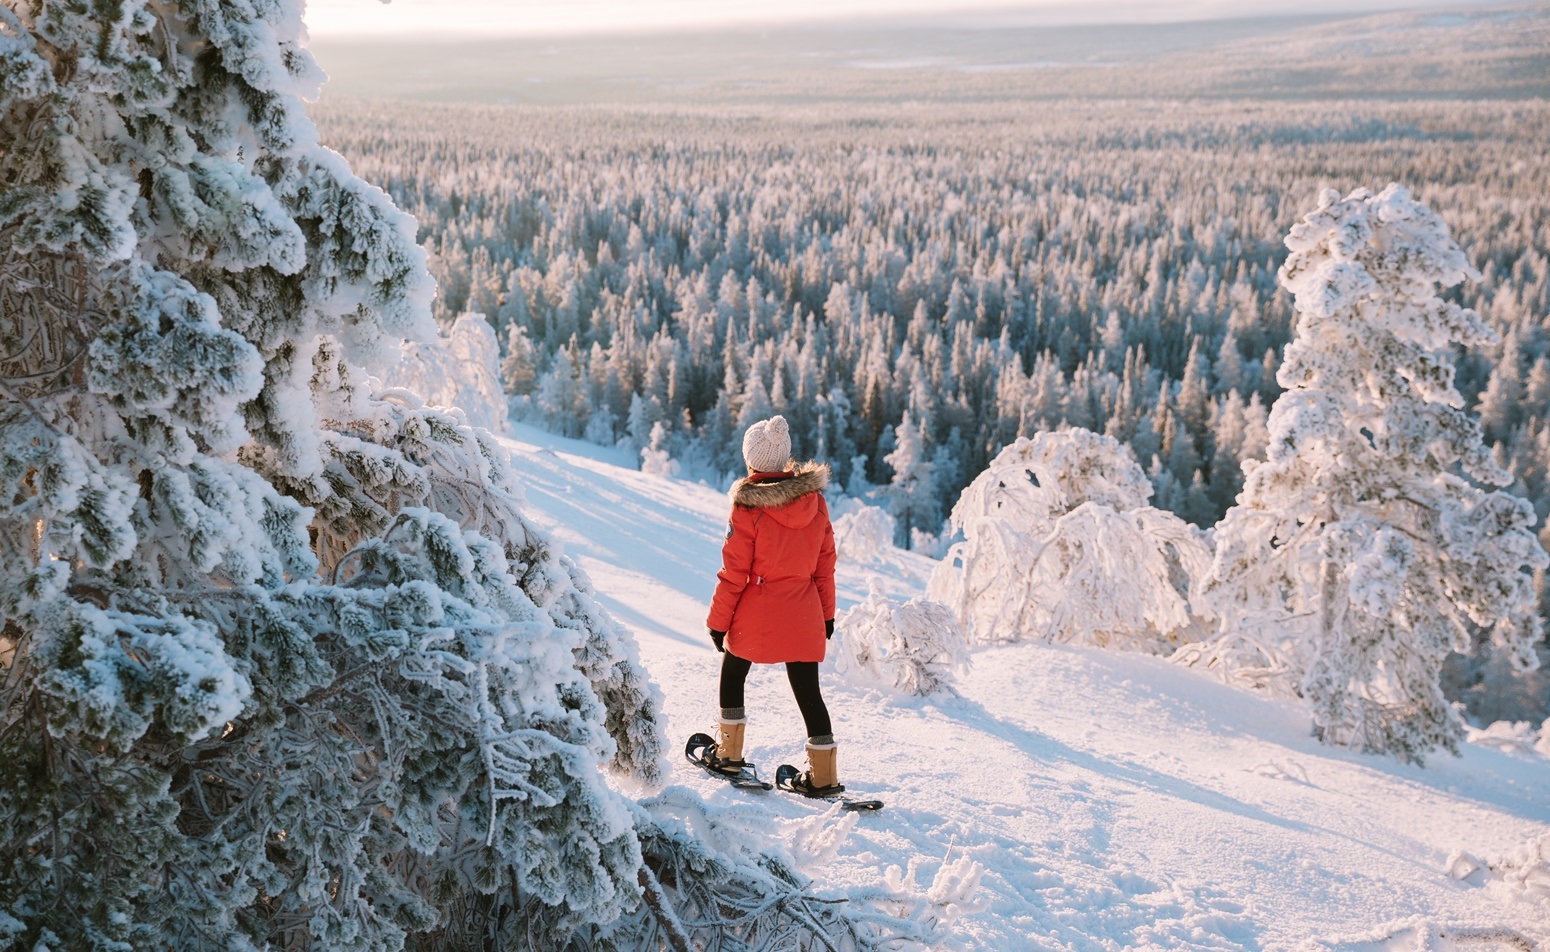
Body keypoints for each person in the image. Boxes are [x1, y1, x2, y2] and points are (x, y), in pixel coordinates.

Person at [705, 415, 841, 795]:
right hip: (804, 611)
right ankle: (824, 775)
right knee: (808, 691)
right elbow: (824, 568)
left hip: (757, 613)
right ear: (783, 462)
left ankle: (728, 754)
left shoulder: (747, 508)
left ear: (750, 462)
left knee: (733, 675)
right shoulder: (816, 502)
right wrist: (826, 616)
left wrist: (718, 623)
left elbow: (734, 574)